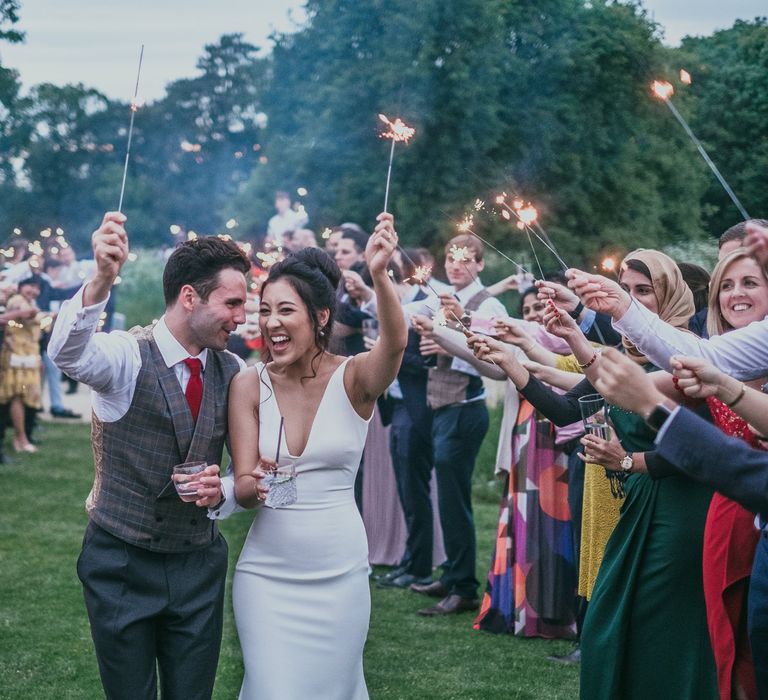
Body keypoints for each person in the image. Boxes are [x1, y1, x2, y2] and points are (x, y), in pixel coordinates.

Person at [473, 249, 718, 699]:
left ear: (669, 295)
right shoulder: (627, 353)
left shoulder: (687, 355)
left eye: (644, 291)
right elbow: (567, 407)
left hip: (681, 510)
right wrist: (512, 365)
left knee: (664, 627)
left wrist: (625, 461)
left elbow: (697, 448)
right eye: (628, 291)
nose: (634, 301)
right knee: (609, 621)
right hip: (637, 504)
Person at [48, 211, 250, 700]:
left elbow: (252, 466)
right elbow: (68, 354)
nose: (242, 317)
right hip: (120, 562)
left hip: (198, 565)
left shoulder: (235, 369)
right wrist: (100, 280)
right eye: (232, 303)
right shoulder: (125, 356)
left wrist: (221, 490)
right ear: (189, 297)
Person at [224, 213, 406, 699]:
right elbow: (242, 489)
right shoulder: (247, 384)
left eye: (285, 311)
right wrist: (252, 485)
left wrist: (380, 275)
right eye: (265, 311)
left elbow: (396, 344)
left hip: (339, 574)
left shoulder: (354, 378)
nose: (271, 323)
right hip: (266, 575)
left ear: (320, 316)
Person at [593, 347, 768, 699]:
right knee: (742, 634)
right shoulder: (711, 359)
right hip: (731, 505)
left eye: (751, 285)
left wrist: (649, 418)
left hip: (707, 496)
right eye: (727, 286)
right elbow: (595, 385)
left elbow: (747, 470)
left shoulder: (691, 350)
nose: (735, 294)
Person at [408, 234, 507, 616]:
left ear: (481, 264)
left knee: (455, 499)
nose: (455, 264)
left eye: (466, 259)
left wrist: (445, 338)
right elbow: (408, 314)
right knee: (445, 497)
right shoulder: (442, 298)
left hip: (466, 408)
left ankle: (464, 586)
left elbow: (493, 361)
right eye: (450, 257)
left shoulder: (491, 304)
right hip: (441, 406)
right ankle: (451, 575)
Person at [0, 277, 43, 453]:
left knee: (25, 397)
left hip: (28, 357)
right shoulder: (18, 302)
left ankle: (23, 436)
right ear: (20, 287)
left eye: (36, 287)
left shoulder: (29, 303)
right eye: (30, 286)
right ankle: (21, 438)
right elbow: (26, 314)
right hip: (16, 358)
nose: (33, 290)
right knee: (17, 396)